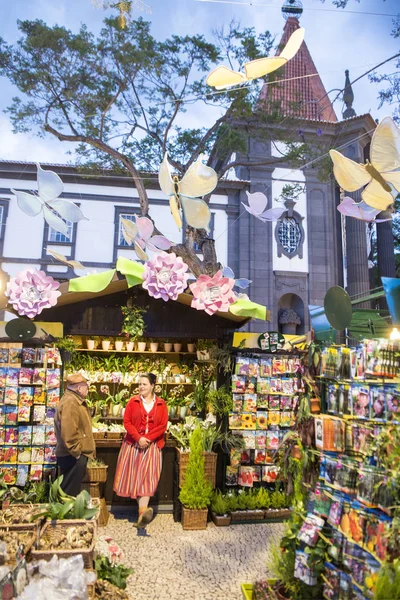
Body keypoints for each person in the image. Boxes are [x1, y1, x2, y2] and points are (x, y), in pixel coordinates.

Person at [113, 373, 168, 527]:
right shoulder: (133, 401)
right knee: (136, 478)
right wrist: (138, 438)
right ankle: (142, 513)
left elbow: (162, 426)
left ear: (152, 386)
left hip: (152, 447)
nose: (141, 387)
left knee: (147, 479)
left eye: (144, 384)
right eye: (139, 384)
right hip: (133, 446)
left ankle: (142, 513)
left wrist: (148, 438)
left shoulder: (161, 404)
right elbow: (127, 422)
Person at [54, 373, 95, 496]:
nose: (87, 389)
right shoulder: (71, 402)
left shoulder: (72, 400)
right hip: (72, 456)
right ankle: (66, 516)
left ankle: (68, 515)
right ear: (79, 388)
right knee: (68, 494)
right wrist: (77, 453)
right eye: (86, 386)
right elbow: (69, 432)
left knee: (70, 492)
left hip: (72, 455)